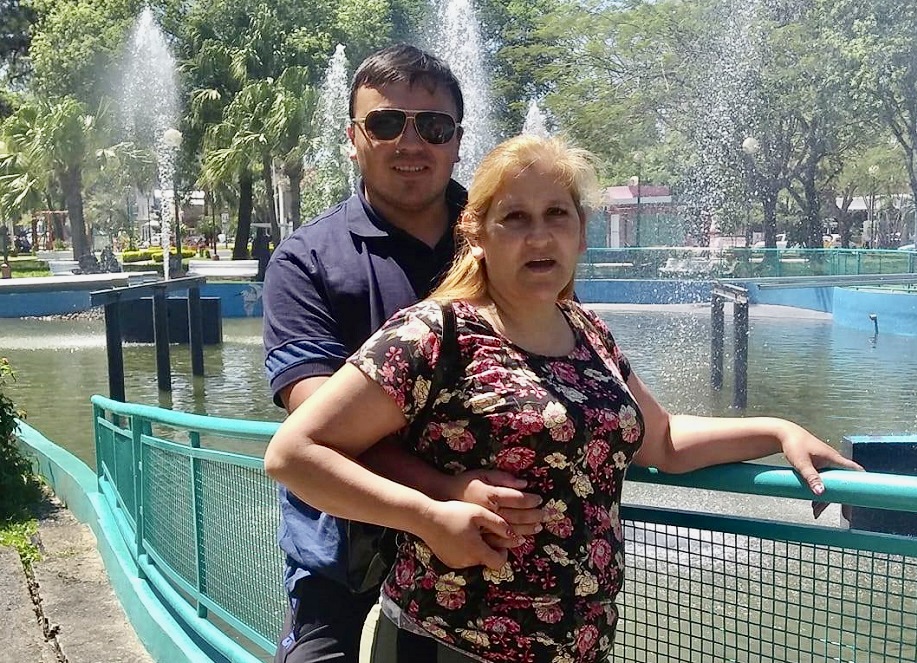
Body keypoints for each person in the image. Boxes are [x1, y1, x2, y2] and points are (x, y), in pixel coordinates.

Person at [264, 134, 863, 663]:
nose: (539, 236)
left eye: (557, 214)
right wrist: (428, 516)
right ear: (477, 235)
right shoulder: (434, 333)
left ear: (580, 231)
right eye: (515, 218)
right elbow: (293, 454)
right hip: (453, 643)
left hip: (580, 646)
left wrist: (777, 430)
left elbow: (662, 441)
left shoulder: (588, 333)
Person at [262, 45, 543, 662]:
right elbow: (319, 424)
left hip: (487, 554)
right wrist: (442, 492)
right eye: (386, 123)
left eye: (433, 126)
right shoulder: (307, 261)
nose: (410, 143)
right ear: (353, 138)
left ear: (458, 140)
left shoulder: (507, 239)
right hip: (350, 556)